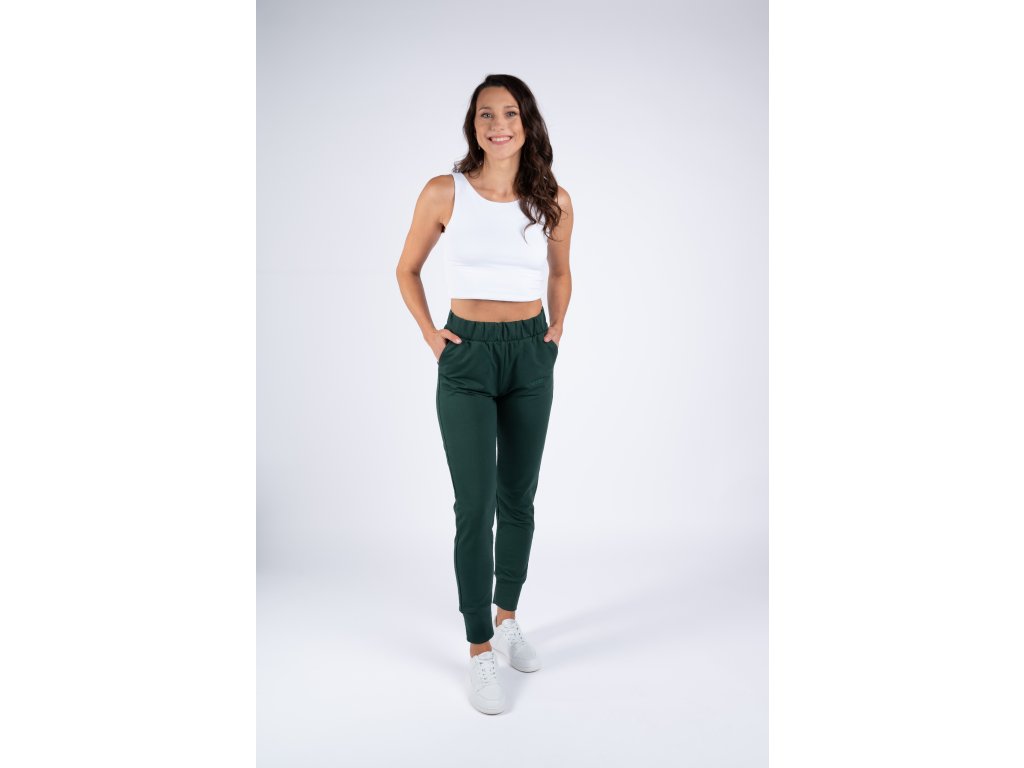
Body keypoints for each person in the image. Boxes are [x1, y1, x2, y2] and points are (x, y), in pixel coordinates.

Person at [395, 74, 573, 714]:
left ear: (527, 122)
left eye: (509, 113)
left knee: (518, 498)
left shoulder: (552, 199)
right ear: (473, 125)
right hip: (466, 355)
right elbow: (406, 268)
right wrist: (432, 336)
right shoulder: (444, 191)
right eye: (485, 115)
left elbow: (560, 271)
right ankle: (478, 650)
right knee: (475, 505)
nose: (498, 125)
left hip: (529, 353)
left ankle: (507, 619)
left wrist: (554, 331)